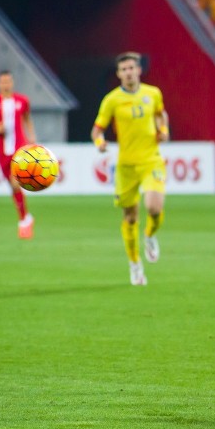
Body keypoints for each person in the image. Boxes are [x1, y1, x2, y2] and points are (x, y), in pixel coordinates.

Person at [91, 52, 170, 285]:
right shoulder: (112, 100)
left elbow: (160, 115)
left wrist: (164, 130)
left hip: (151, 160)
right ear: (118, 74)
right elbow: (97, 130)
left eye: (131, 68)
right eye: (123, 69)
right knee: (131, 216)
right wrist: (100, 143)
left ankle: (150, 236)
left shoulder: (153, 93)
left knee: (154, 207)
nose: (128, 72)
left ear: (138, 70)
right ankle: (135, 264)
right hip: (126, 166)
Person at [0, 70, 37, 239]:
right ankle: (26, 216)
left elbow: (27, 119)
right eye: (3, 82)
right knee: (11, 185)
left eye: (8, 81)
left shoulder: (22, 101)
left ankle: (23, 222)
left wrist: (32, 138)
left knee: (15, 182)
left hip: (19, 147)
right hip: (2, 149)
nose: (6, 85)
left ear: (12, 83)